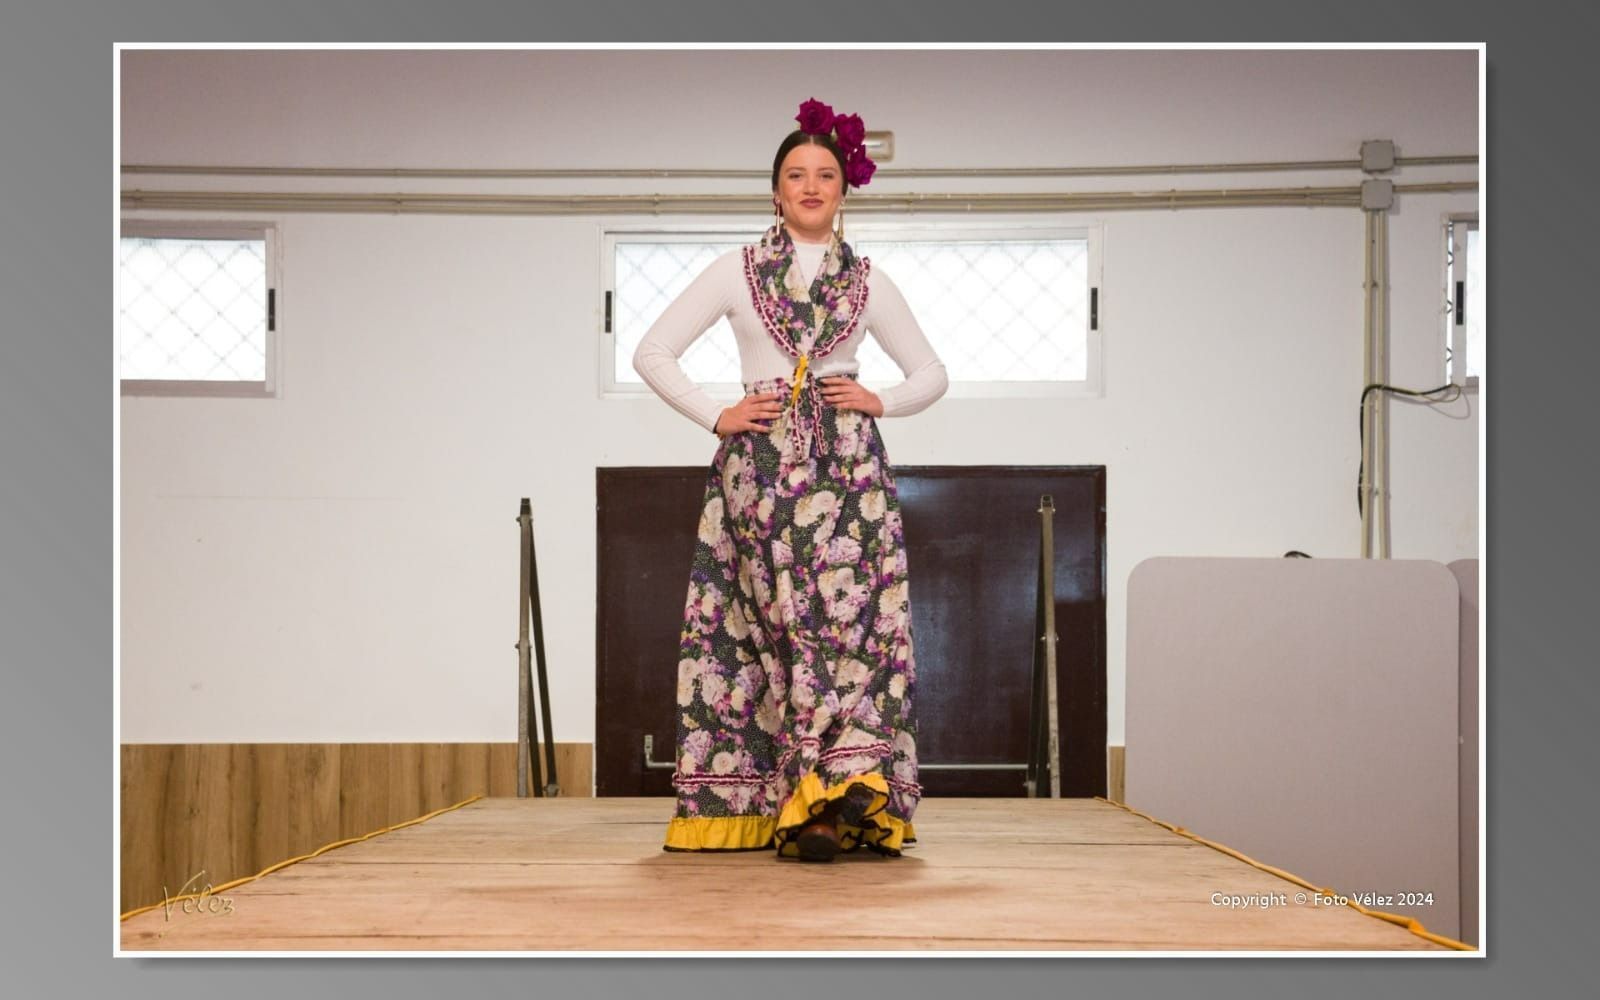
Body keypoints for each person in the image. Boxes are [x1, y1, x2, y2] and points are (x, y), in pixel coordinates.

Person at [633, 98, 948, 862]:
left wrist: (880, 400)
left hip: (850, 476)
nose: (811, 186)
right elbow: (652, 351)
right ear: (775, 191)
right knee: (777, 628)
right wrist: (717, 416)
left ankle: (834, 800)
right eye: (796, 174)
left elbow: (932, 373)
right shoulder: (735, 270)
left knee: (852, 631)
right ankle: (793, 800)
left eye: (825, 174)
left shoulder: (868, 281)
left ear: (845, 190)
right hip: (764, 472)